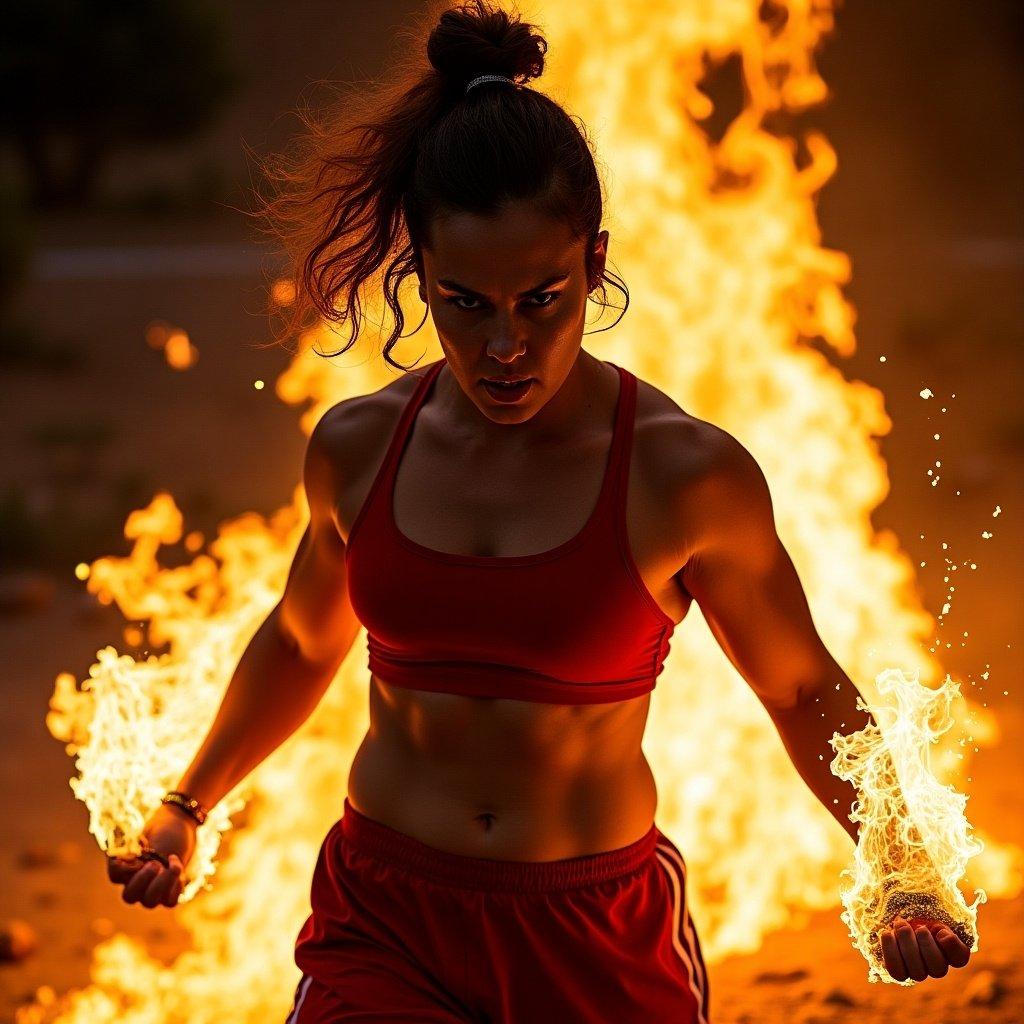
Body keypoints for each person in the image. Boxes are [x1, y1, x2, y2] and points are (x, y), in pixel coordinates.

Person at [107, 2, 973, 1020]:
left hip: (592, 933)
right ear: (420, 276)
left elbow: (801, 690)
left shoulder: (681, 474)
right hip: (386, 920)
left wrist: (906, 865)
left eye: (541, 299)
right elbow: (301, 642)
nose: (504, 347)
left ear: (594, 266)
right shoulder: (357, 447)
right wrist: (184, 808)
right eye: (465, 302)